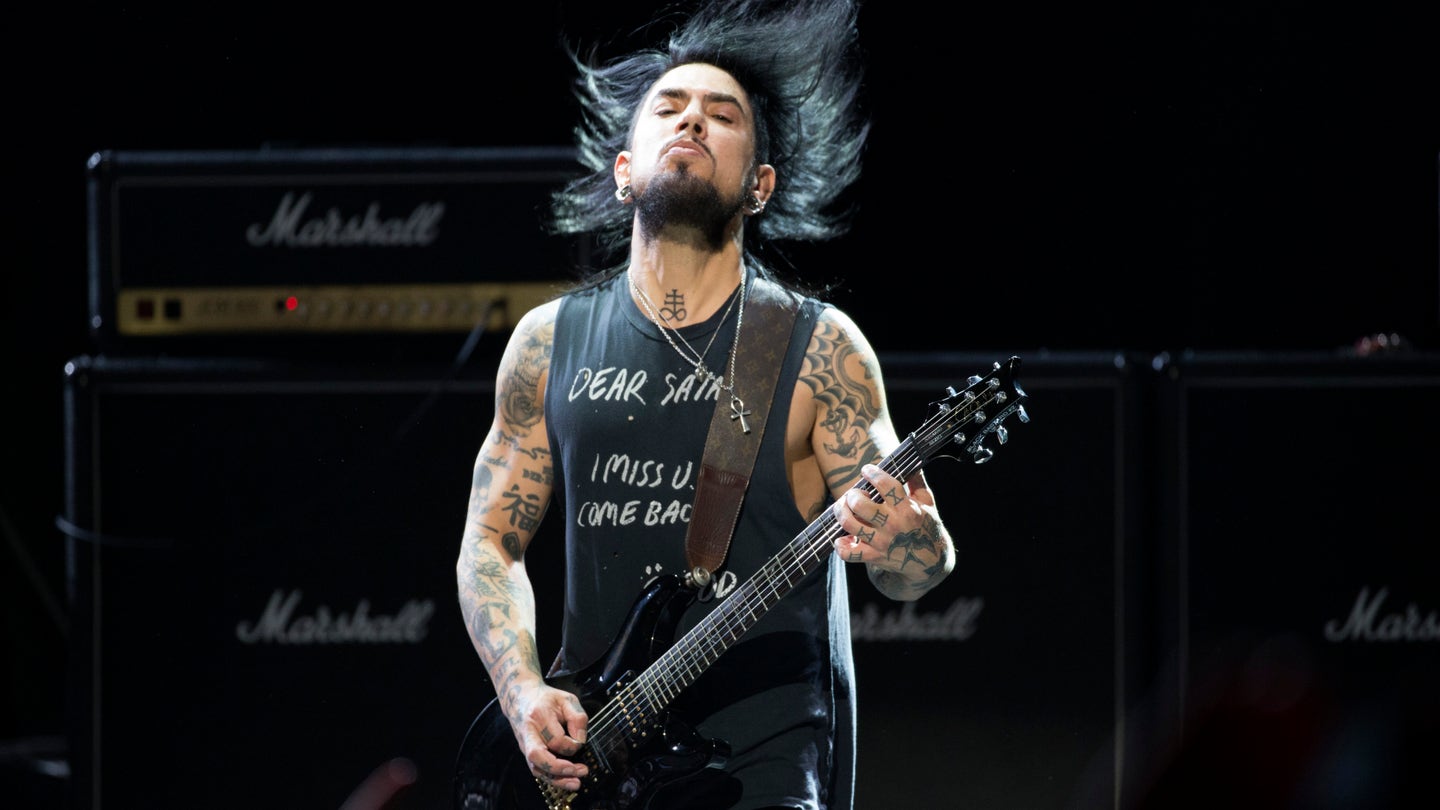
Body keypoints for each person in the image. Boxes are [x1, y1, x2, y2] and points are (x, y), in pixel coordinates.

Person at [454, 1, 955, 808]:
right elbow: (491, 541)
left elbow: (909, 570)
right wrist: (521, 692)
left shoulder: (818, 348)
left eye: (722, 116)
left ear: (760, 186)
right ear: (624, 171)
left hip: (763, 763)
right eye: (670, 108)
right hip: (601, 760)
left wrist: (914, 542)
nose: (692, 121)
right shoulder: (547, 343)